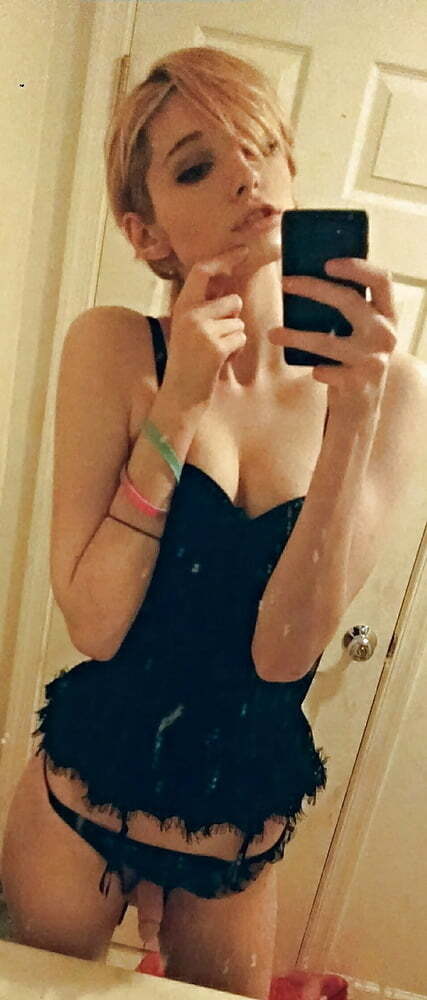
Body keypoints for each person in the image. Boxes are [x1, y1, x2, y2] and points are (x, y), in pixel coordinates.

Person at [1, 46, 399, 999]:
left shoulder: (391, 392)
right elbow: (95, 625)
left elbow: (283, 654)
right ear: (145, 234)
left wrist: (352, 424)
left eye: (261, 147)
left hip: (239, 827)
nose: (246, 178)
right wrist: (177, 406)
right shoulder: (112, 348)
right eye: (196, 166)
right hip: (78, 800)